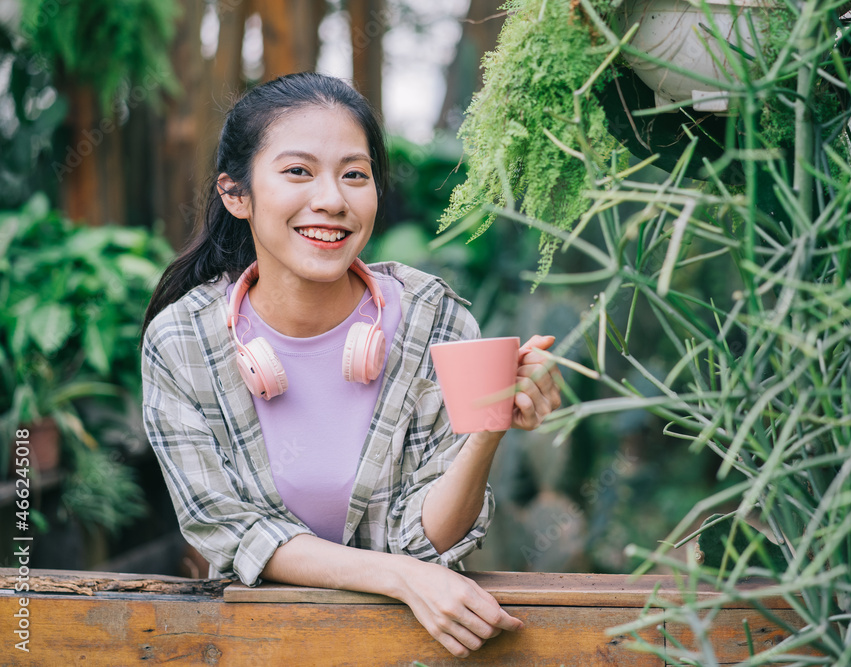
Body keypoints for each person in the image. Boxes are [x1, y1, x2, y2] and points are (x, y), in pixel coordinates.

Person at [140, 72, 563, 658]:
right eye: (297, 171)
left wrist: (489, 426)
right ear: (237, 195)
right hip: (259, 648)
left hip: (414, 649)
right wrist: (397, 577)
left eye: (354, 175)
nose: (332, 199)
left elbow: (426, 544)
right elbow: (232, 531)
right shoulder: (182, 340)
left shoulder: (432, 319)